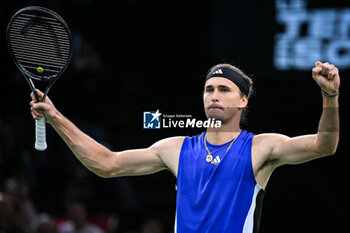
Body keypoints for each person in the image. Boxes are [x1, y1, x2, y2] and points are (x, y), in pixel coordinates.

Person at [30, 61, 340, 233]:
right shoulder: (176, 148)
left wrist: (330, 97)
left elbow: (323, 146)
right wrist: (56, 117)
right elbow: (106, 163)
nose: (214, 95)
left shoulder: (260, 147)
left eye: (224, 89)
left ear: (243, 100)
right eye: (208, 89)